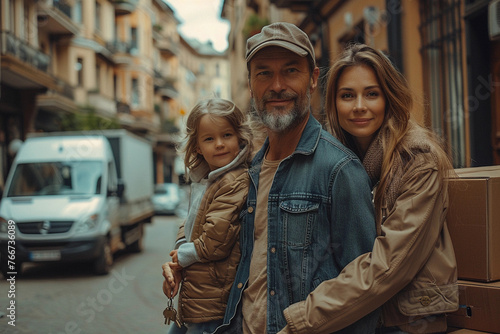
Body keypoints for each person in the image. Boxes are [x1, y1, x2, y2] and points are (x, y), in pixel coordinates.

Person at [212, 22, 380, 334]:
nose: (277, 85)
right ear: (250, 84)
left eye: (291, 71)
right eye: (264, 73)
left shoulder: (338, 169)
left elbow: (364, 290)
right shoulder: (249, 170)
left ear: (313, 78)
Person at [279, 44, 459, 334]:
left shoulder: (418, 159)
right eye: (347, 95)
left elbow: (390, 265)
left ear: (389, 97)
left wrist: (302, 321)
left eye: (371, 94)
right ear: (333, 103)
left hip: (404, 322)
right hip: (354, 316)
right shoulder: (334, 160)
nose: (359, 105)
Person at [162, 98, 253, 334]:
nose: (220, 144)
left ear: (240, 138)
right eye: (209, 139)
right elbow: (191, 222)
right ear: (198, 147)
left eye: (227, 135)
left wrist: (180, 258)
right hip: (199, 295)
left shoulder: (234, 180)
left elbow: (214, 242)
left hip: (214, 301)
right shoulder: (206, 179)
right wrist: (180, 248)